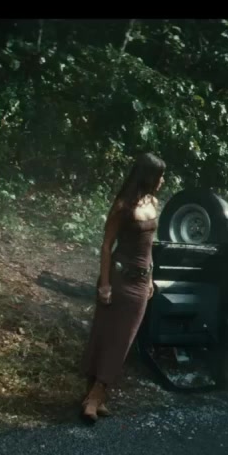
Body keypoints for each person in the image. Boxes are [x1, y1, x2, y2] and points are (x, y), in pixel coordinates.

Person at [79, 153, 165, 423]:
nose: (163, 181)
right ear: (148, 176)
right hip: (118, 279)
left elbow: (149, 247)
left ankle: (97, 394)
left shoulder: (153, 202)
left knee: (123, 341)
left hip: (140, 282)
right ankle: (93, 396)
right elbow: (107, 246)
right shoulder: (122, 207)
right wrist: (105, 284)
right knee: (104, 335)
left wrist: (150, 278)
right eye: (160, 175)